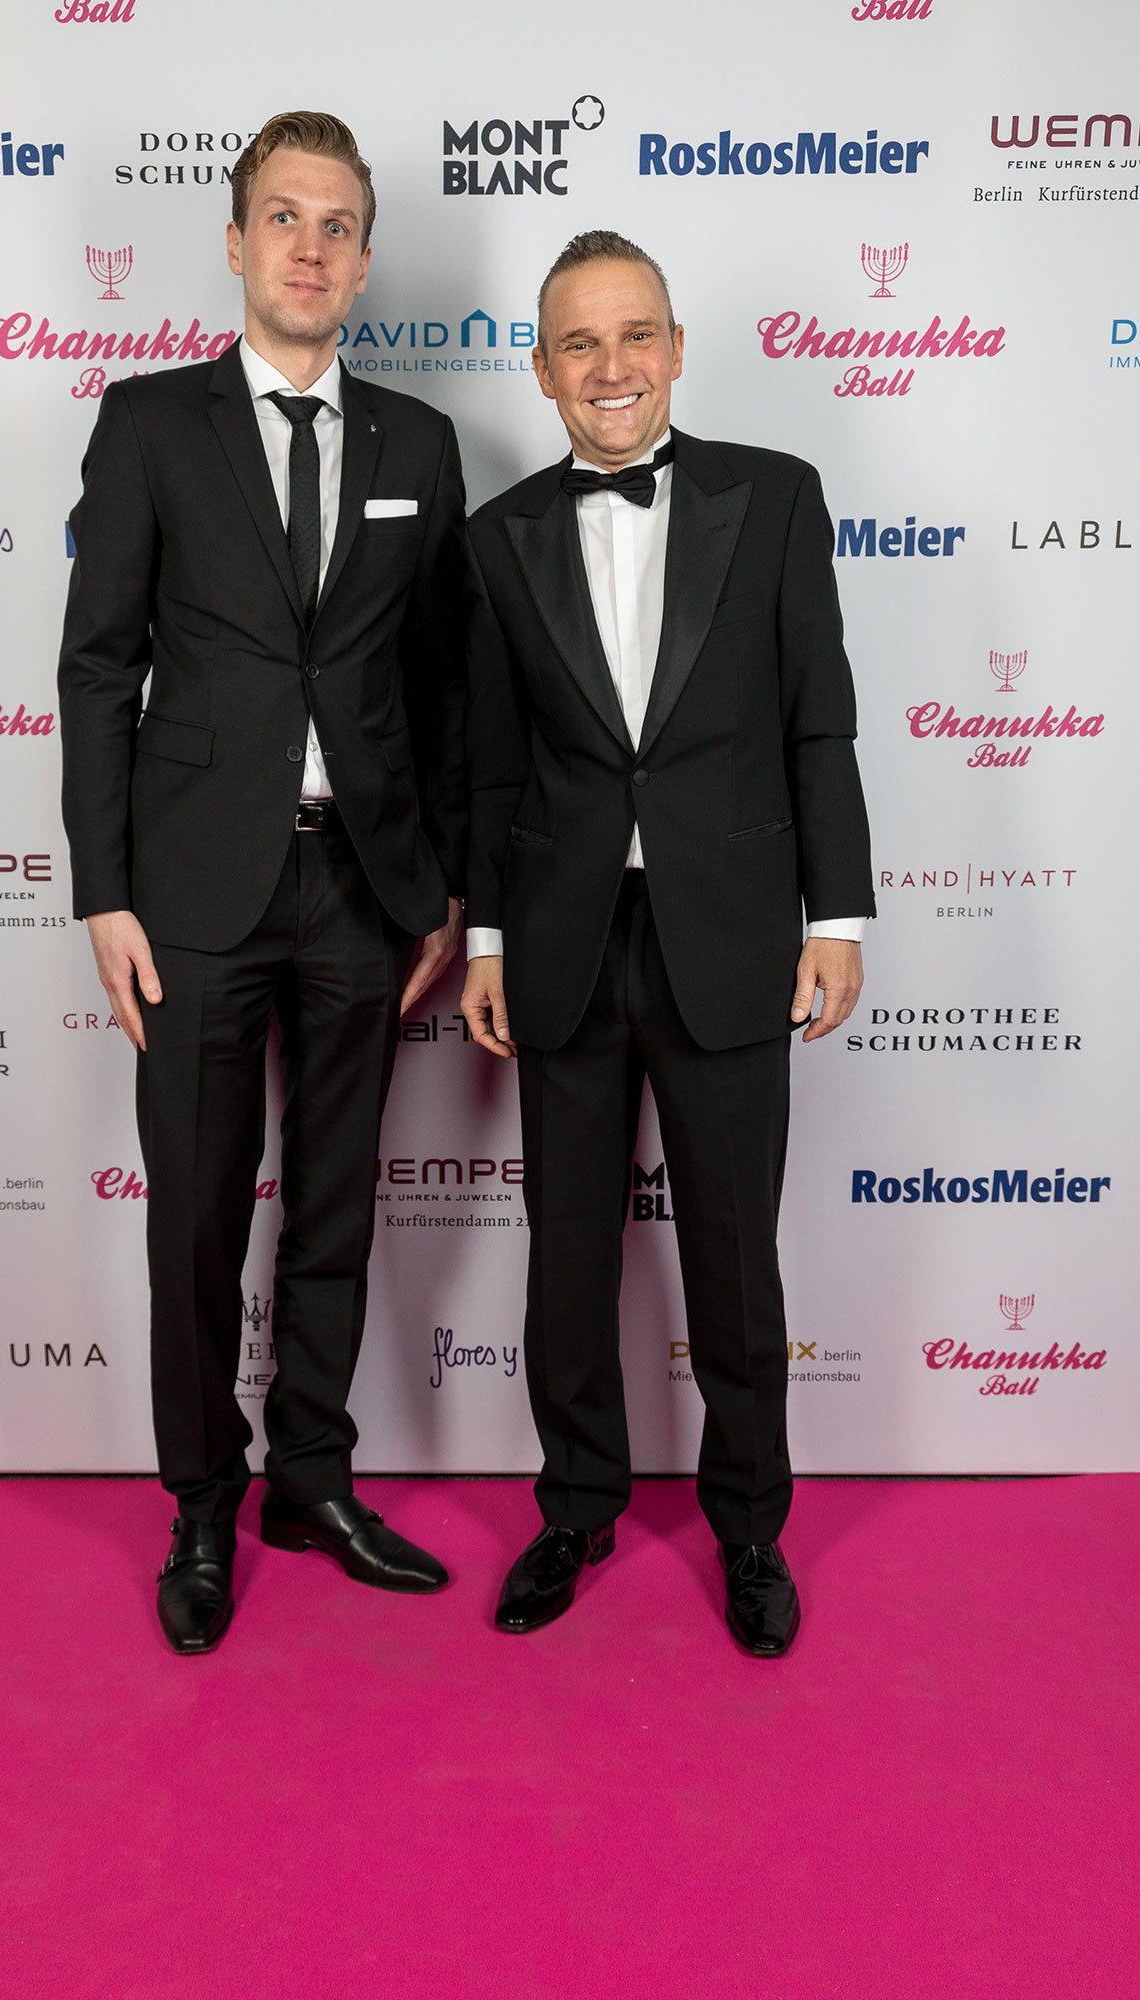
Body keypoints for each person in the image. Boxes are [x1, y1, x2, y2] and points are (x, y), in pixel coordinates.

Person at [59, 112, 466, 1653]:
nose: (309, 246)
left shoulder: (419, 444)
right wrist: (104, 891)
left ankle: (311, 1478)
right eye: (283, 218)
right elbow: (98, 667)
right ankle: (199, 1504)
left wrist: (441, 887)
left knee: (336, 1205)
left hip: (364, 887)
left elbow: (442, 688)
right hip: (191, 895)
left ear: (363, 262)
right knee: (193, 1216)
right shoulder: (149, 423)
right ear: (236, 243)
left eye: (336, 224)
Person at [460, 231, 874, 1654]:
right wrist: (489, 939)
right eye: (578, 343)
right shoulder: (496, 538)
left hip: (733, 933)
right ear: (541, 369)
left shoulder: (775, 498)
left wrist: (835, 916)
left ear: (678, 347)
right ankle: (575, 1505)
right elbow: (491, 768)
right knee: (567, 1254)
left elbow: (819, 719)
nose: (611, 367)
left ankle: (750, 1528)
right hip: (565, 941)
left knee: (734, 1259)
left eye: (635, 334)